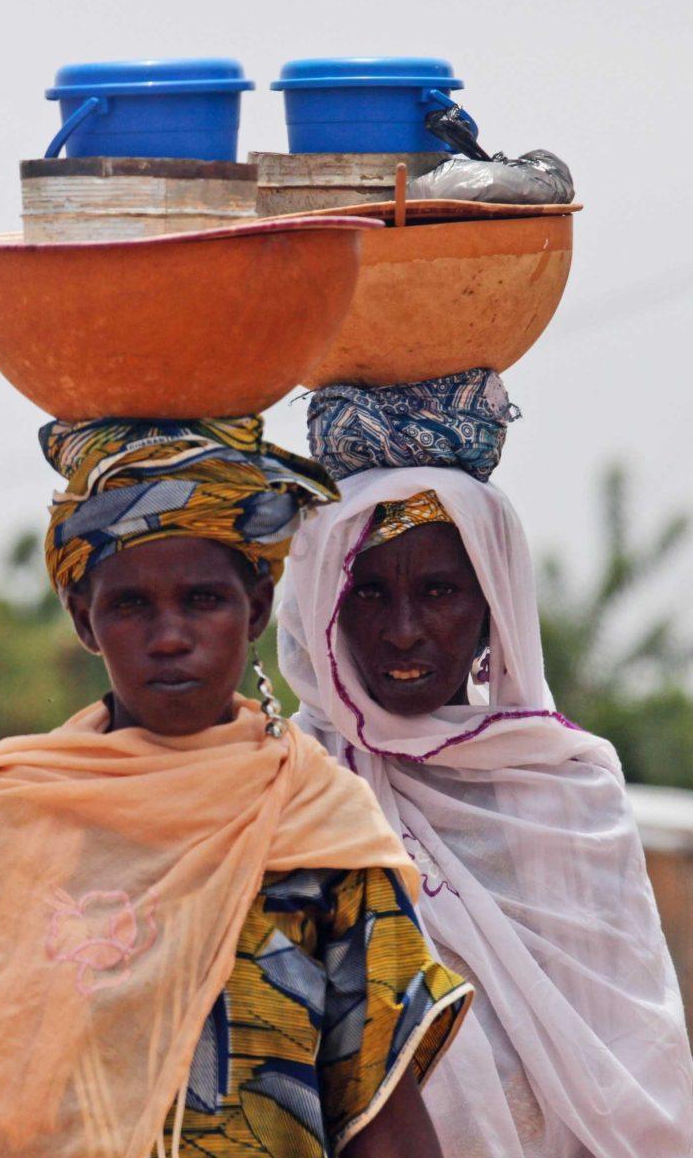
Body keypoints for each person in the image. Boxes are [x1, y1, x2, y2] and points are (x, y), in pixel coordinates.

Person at [0, 416, 472, 1158]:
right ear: (82, 620)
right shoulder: (9, 814)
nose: (168, 636)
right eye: (130, 606)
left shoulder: (319, 823)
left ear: (255, 608)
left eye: (202, 600)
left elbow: (382, 1123)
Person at [278, 373, 693, 1158]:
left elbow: (638, 1087)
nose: (403, 630)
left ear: (492, 607)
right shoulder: (287, 790)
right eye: (366, 593)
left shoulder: (568, 792)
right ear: (320, 607)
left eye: (439, 590)